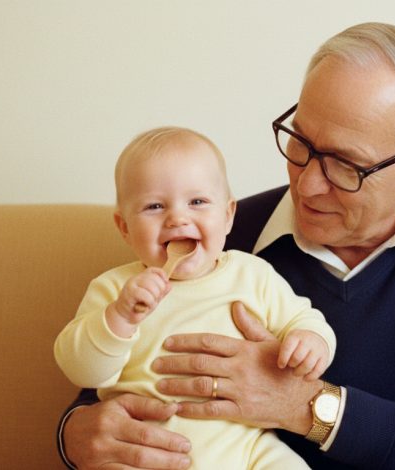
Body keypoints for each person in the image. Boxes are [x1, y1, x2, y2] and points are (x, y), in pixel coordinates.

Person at [58, 22, 395, 469]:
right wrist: (73, 435)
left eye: (345, 165)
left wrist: (307, 407)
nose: (306, 185)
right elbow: (109, 375)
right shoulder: (218, 232)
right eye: (300, 143)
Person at [54, 127, 337, 469]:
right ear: (124, 227)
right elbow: (81, 369)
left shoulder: (252, 275)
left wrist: (310, 341)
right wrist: (120, 319)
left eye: (197, 202)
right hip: (149, 451)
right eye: (155, 206)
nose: (177, 217)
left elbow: (302, 318)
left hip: (246, 449)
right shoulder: (115, 289)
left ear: (229, 214)